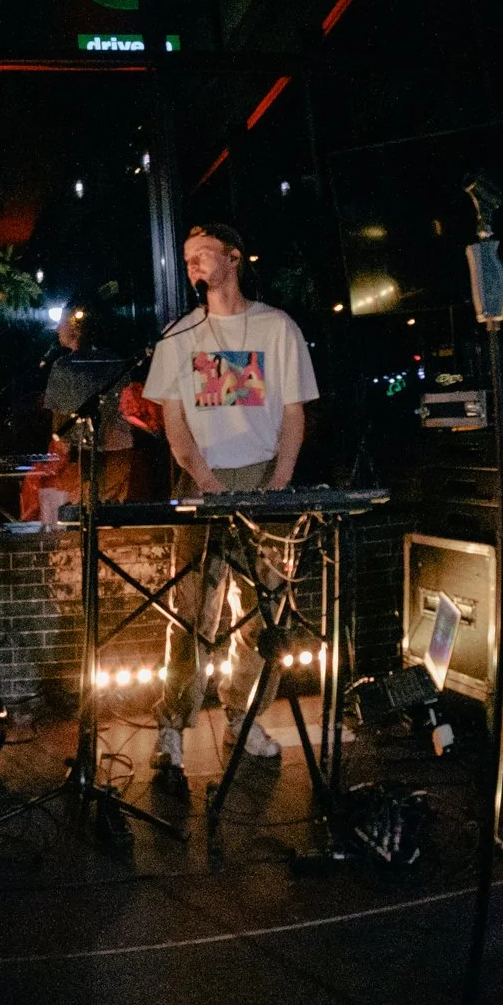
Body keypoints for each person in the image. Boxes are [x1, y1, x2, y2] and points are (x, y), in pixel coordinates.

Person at [143, 223, 319, 783]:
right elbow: (173, 420)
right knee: (192, 612)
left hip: (264, 480)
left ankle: (244, 718)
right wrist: (204, 479)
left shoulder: (277, 327)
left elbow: (294, 413)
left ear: (235, 258)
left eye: (204, 254)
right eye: (188, 258)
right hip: (202, 482)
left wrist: (279, 483)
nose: (193, 264)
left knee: (264, 615)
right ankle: (174, 726)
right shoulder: (179, 335)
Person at [39, 302, 139, 502]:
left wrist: (59, 454)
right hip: (120, 449)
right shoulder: (115, 362)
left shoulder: (65, 366)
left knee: (84, 507)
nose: (57, 330)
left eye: (61, 323)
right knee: (112, 509)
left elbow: (60, 418)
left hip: (83, 454)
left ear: (76, 328)